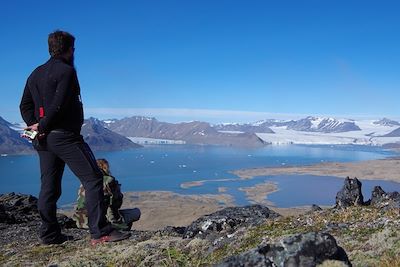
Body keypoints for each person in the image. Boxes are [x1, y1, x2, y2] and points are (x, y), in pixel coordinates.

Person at [19, 30, 130, 245]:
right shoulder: (67, 71)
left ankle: (49, 234)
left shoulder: (35, 73)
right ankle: (100, 232)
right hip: (65, 137)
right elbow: (58, 105)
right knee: (94, 179)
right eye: (73, 49)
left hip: (43, 140)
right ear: (70, 50)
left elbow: (24, 105)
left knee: (49, 187)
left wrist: (35, 125)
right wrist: (42, 124)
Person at [73, 159, 141, 230]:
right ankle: (121, 229)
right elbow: (114, 205)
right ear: (105, 167)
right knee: (136, 212)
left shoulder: (86, 181)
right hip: (100, 221)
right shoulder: (109, 181)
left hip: (81, 221)